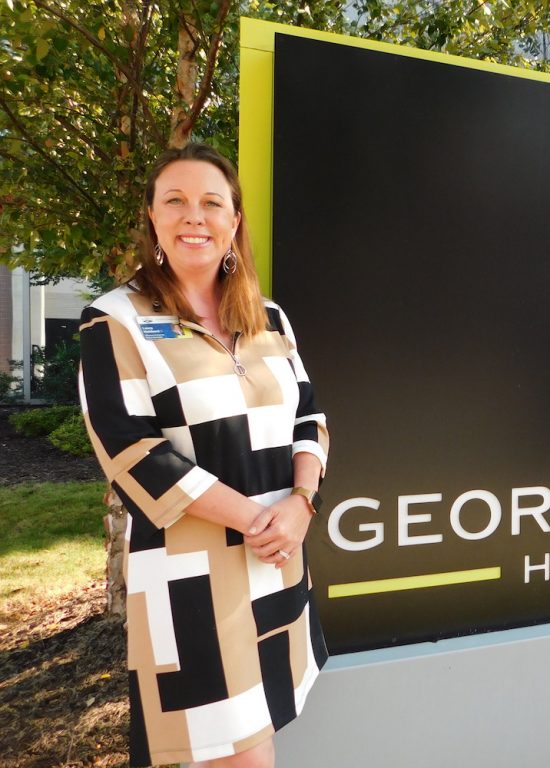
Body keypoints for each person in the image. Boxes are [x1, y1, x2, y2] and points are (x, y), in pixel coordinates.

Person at [78, 142, 329, 768]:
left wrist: (301, 503)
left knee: (262, 729)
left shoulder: (268, 316)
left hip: (276, 564)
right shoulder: (116, 320)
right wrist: (253, 520)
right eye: (176, 201)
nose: (196, 216)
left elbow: (310, 418)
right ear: (154, 219)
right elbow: (132, 453)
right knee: (234, 752)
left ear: (234, 221)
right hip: (192, 583)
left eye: (212, 202)